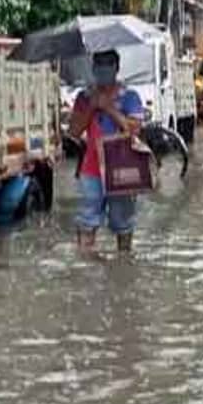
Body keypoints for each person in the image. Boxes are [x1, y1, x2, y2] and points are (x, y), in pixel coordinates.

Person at [67, 50, 145, 254]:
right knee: (86, 222)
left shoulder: (129, 96)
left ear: (116, 68)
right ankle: (87, 267)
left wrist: (109, 108)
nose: (103, 68)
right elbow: (74, 132)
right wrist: (92, 106)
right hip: (91, 170)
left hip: (122, 169)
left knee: (123, 225)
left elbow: (134, 129)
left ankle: (122, 266)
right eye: (99, 63)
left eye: (108, 63)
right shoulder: (84, 98)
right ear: (93, 68)